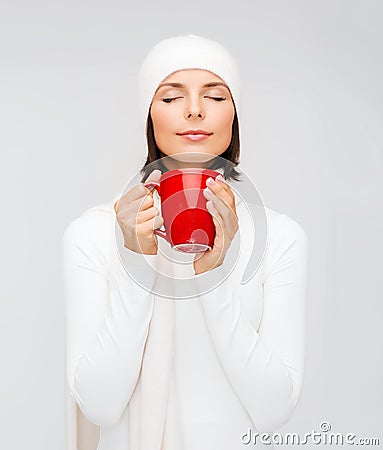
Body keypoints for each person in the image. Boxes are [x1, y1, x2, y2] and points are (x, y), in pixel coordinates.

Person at [62, 34, 309, 450]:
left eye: (214, 96)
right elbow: (100, 407)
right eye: (172, 97)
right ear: (149, 116)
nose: (194, 110)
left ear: (234, 116)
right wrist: (136, 263)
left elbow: (273, 411)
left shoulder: (281, 238)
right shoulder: (94, 234)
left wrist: (214, 277)